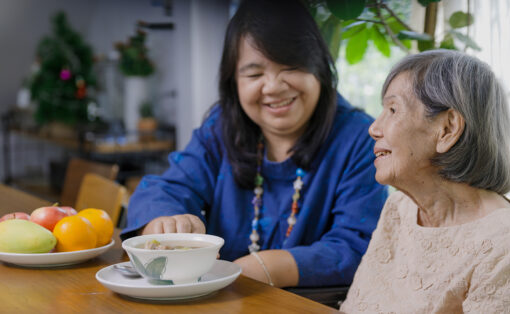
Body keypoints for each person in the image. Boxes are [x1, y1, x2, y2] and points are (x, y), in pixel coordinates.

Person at [121, 0, 387, 288]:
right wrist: (165, 220)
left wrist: (264, 267)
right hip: (222, 299)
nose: (273, 86)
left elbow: (356, 246)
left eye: (291, 66)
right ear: (233, 81)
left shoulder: (361, 138)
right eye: (254, 74)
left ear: (320, 68)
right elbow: (167, 188)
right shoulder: (221, 127)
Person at [340, 50, 510, 313]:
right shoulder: (399, 208)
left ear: (448, 129)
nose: (374, 128)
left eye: (393, 109)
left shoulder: (509, 245)